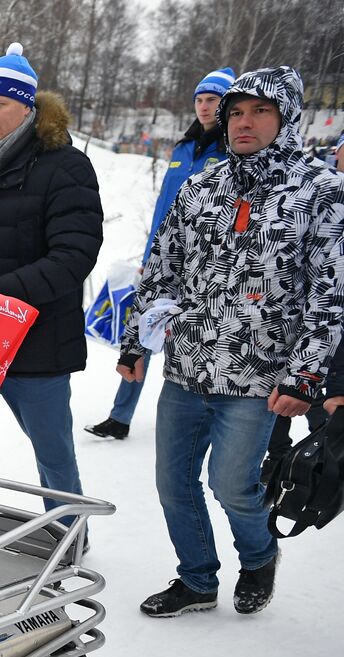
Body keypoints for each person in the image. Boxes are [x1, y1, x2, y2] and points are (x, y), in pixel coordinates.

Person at [118, 66, 344, 618]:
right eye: (235, 113)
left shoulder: (320, 192)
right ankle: (196, 579)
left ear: (286, 117)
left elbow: (330, 293)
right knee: (173, 484)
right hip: (188, 365)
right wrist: (134, 342)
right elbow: (161, 271)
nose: (243, 123)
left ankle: (259, 556)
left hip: (259, 375)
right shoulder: (201, 187)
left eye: (259, 111)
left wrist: (305, 376)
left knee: (232, 485)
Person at [0, 43, 103, 523]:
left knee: (53, 453)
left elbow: (73, 256)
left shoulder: (66, 166)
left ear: (27, 106)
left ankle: (67, 536)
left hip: (38, 341)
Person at [86, 67, 233, 440]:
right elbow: (163, 206)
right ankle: (120, 417)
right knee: (143, 332)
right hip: (164, 257)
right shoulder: (183, 149)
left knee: (197, 340)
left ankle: (204, 422)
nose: (204, 106)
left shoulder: (232, 150)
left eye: (212, 100)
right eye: (199, 100)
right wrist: (152, 252)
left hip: (208, 265)